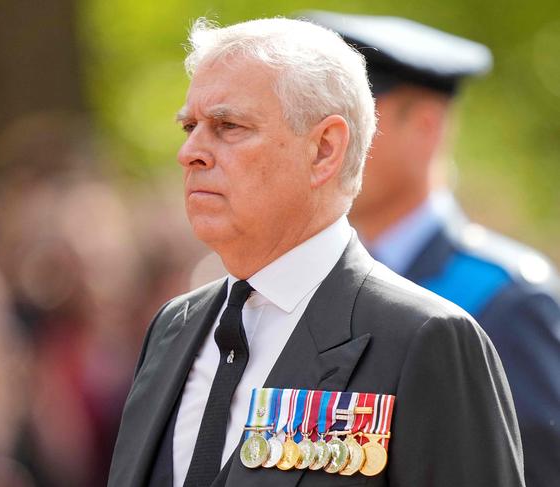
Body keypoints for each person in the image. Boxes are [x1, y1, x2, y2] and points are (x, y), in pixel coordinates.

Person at [108, 17, 524, 487]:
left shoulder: (424, 337)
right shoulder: (175, 326)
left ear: (325, 149)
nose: (191, 152)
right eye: (190, 126)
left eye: (228, 126)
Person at [300, 11, 560, 487]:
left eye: (350, 120)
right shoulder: (305, 281)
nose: (322, 145)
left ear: (425, 126)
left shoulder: (505, 300)